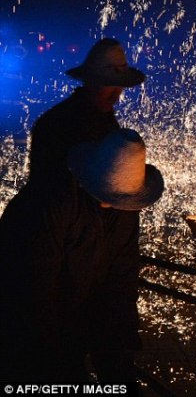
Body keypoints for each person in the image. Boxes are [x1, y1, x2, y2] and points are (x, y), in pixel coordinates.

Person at [0, 128, 164, 384]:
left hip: (71, 313)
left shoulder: (124, 210)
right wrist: (58, 354)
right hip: (24, 323)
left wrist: (119, 344)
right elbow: (35, 287)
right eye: (113, 197)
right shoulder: (51, 204)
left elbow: (122, 276)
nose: (120, 206)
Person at [27, 37, 145, 188]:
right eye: (108, 84)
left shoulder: (104, 120)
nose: (116, 93)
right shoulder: (59, 124)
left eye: (119, 85)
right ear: (90, 82)